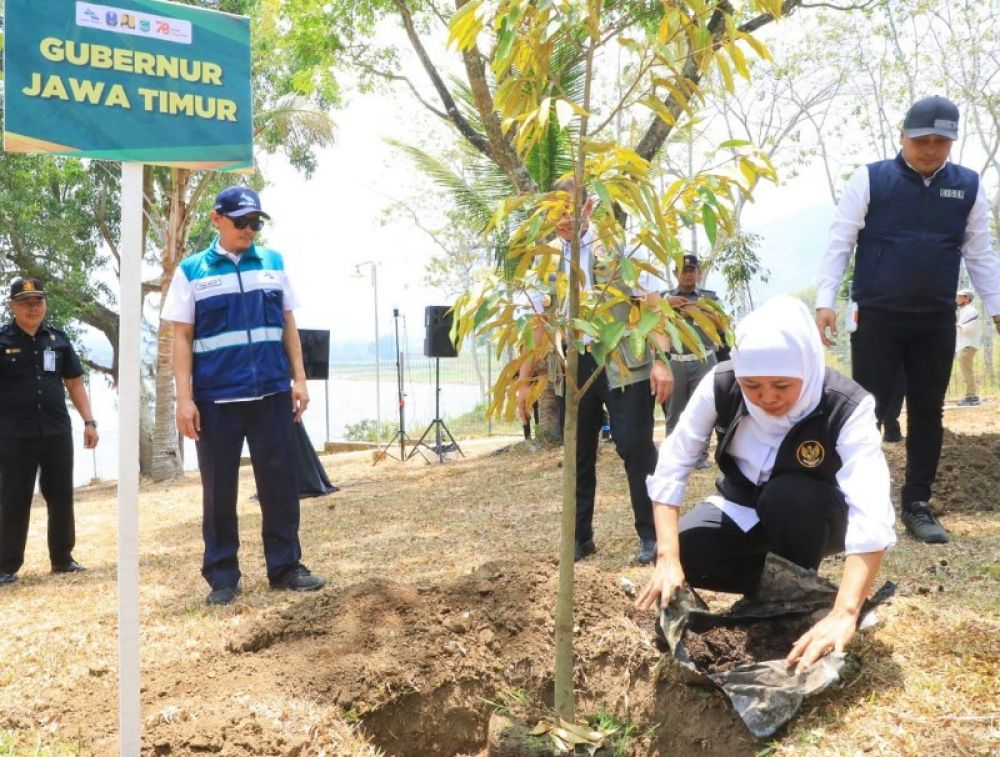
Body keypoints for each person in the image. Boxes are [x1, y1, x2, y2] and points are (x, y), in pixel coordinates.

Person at [636, 295, 896, 673]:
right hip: (745, 504)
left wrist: (846, 611)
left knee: (788, 497)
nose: (767, 397)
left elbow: (871, 511)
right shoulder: (721, 384)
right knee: (688, 550)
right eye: (753, 386)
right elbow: (672, 466)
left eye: (781, 384)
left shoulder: (846, 405)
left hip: (813, 510)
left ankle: (796, 590)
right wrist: (667, 558)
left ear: (807, 368)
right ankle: (773, 590)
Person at [814, 95, 1000, 545]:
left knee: (927, 411)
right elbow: (840, 240)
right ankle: (858, 503)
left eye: (941, 141)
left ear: (952, 143)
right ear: (903, 136)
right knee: (867, 412)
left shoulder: (968, 187)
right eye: (922, 140)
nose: (931, 149)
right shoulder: (872, 179)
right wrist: (825, 301)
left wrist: (996, 309)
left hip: (935, 319)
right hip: (877, 315)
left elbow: (979, 253)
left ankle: (917, 502)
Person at [162, 186, 325, 606]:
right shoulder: (192, 271)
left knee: (281, 486)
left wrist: (300, 379)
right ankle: (223, 576)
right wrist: (184, 398)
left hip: (271, 393)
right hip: (217, 401)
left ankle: (285, 566)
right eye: (241, 222)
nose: (249, 230)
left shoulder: (273, 263)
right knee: (219, 490)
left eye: (256, 222)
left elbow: (289, 324)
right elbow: (182, 336)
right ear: (217, 219)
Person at [517, 180, 673, 565]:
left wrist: (660, 360)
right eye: (553, 211)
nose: (561, 218)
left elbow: (651, 307)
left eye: (568, 208)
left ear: (588, 207)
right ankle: (579, 537)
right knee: (578, 451)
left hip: (623, 361)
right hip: (574, 366)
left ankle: (652, 536)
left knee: (635, 447)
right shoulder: (547, 258)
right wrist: (524, 381)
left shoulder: (621, 247)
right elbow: (538, 322)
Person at [0, 277, 98, 585]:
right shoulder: (2, 340)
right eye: (25, 302)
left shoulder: (58, 339)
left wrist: (89, 421)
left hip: (56, 431)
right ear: (13, 306)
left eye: (38, 301)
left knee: (60, 496)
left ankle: (63, 558)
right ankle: (6, 565)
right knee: (13, 499)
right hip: (14, 435)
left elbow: (74, 383)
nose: (33, 308)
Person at [661, 254, 727, 468]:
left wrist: (698, 310)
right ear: (674, 273)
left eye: (691, 270)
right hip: (675, 361)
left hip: (704, 360)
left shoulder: (710, 299)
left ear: (698, 273)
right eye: (682, 270)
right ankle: (675, 455)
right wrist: (668, 306)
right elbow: (652, 322)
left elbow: (723, 325)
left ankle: (699, 457)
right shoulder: (663, 299)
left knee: (704, 409)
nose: (687, 274)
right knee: (674, 411)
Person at [954, 288, 981, 406]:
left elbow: (969, 328)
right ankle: (972, 396)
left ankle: (971, 397)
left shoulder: (971, 311)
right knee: (966, 371)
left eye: (960, 296)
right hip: (965, 345)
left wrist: (954, 323)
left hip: (968, 345)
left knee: (967, 372)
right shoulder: (965, 311)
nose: (957, 299)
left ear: (967, 298)